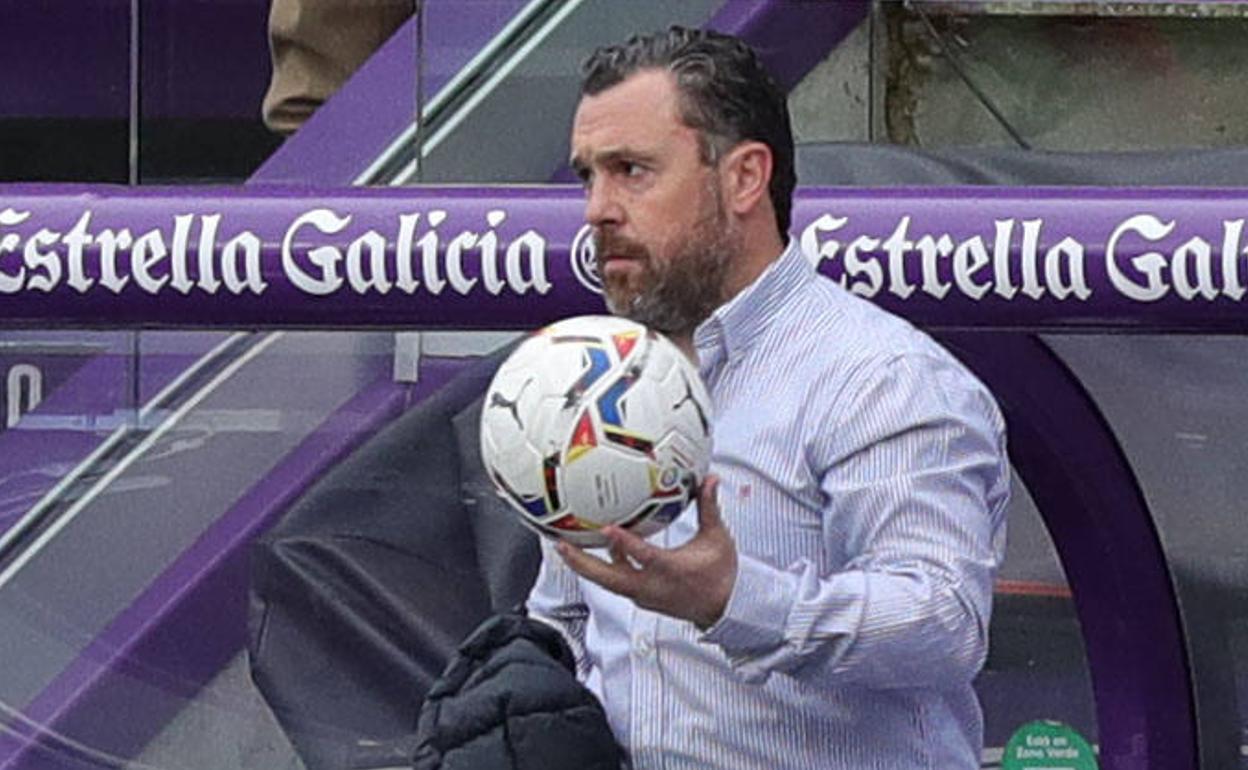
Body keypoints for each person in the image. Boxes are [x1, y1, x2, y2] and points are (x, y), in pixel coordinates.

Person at [525, 26, 1010, 770]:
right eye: (588, 174)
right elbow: (565, 616)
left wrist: (732, 600)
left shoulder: (880, 377)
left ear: (745, 177)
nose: (596, 208)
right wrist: (522, 676)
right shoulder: (594, 383)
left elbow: (943, 624)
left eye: (631, 171)